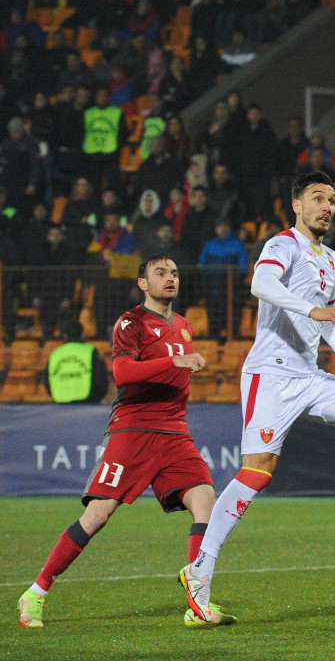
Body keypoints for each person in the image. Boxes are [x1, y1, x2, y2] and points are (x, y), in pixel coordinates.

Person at [179, 172, 335, 624]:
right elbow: (261, 285)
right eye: (318, 198)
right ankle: (199, 570)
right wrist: (313, 308)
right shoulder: (283, 243)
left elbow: (325, 321)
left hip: (310, 374)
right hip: (271, 374)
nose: (327, 207)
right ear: (297, 205)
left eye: (332, 200)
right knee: (256, 474)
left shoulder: (333, 260)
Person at [18, 254, 235, 628]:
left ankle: (198, 603)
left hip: (174, 431)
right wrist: (174, 362)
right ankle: (35, 593)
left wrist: (178, 368)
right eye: (160, 273)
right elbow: (122, 372)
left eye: (174, 273)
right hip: (133, 429)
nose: (170, 278)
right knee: (98, 514)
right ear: (143, 284)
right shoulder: (131, 322)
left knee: (205, 501)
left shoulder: (184, 326)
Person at [45, 321, 109, 403]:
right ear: (82, 334)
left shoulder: (55, 354)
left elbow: (47, 380)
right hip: (88, 403)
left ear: (64, 336)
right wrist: (98, 397)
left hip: (61, 403)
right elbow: (101, 378)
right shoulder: (90, 352)